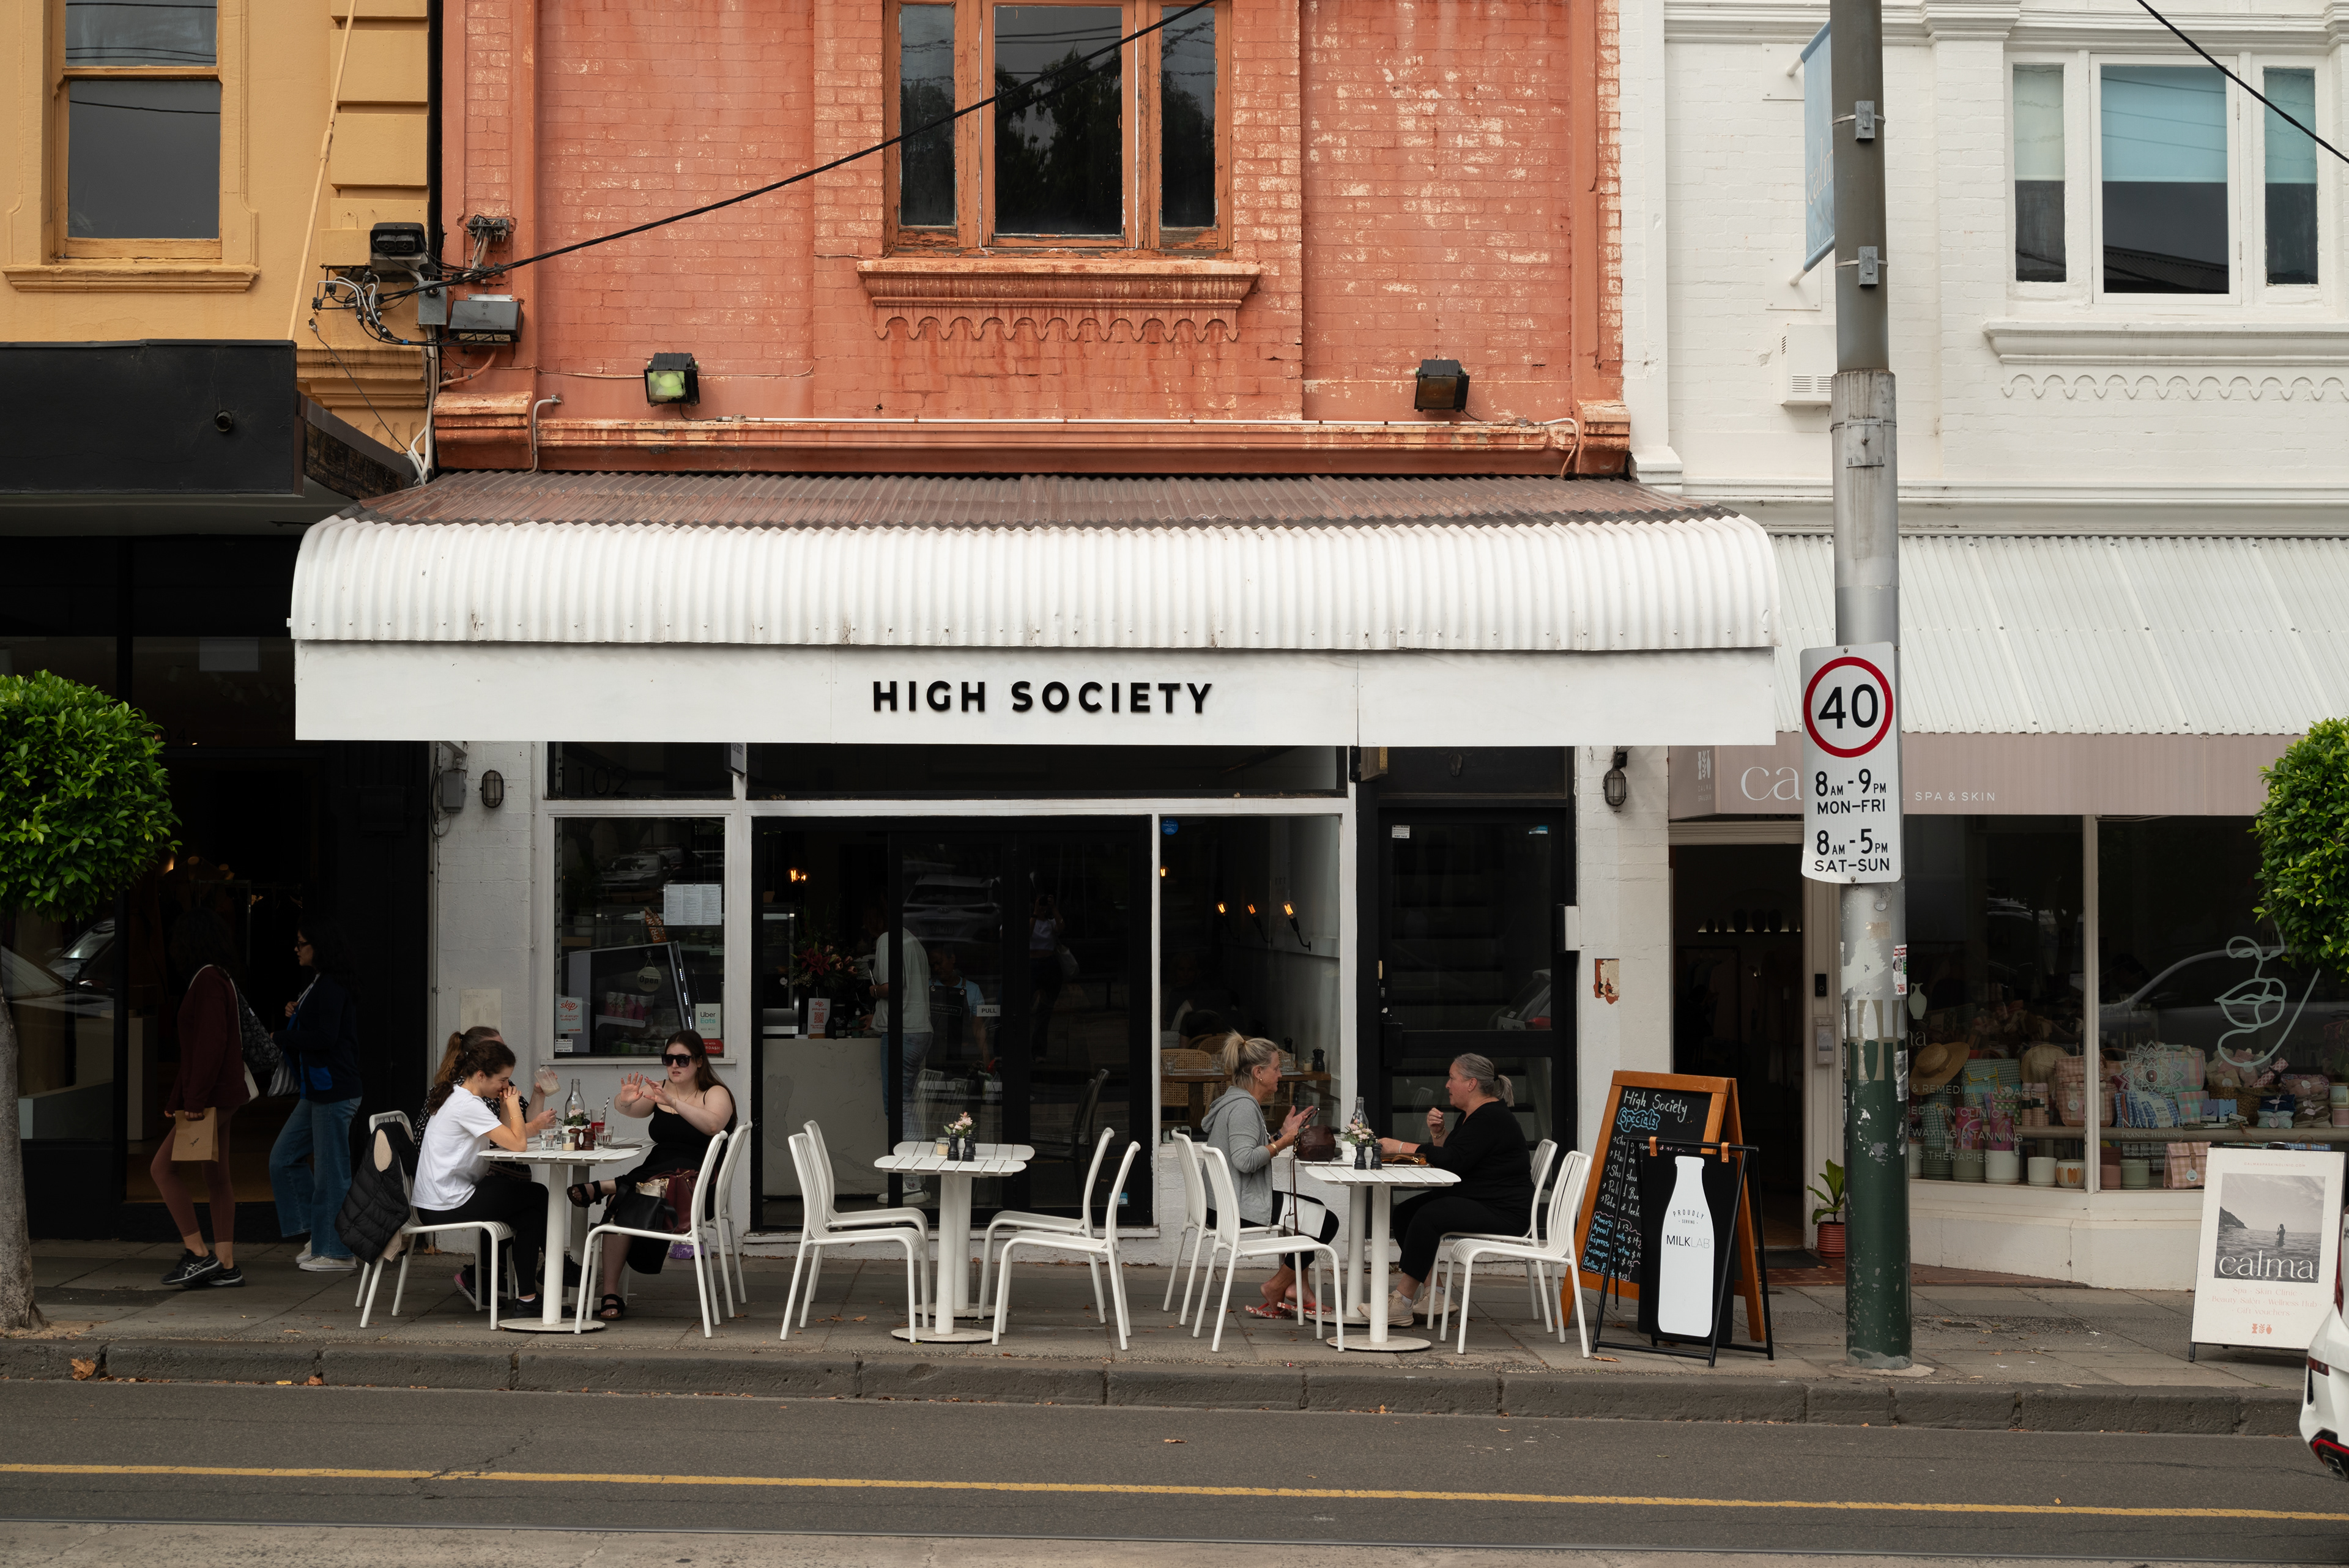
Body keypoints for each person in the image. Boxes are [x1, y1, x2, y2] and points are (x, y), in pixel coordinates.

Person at [565, 1030, 735, 1321]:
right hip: (653, 1180)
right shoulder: (662, 1089)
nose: (674, 1066)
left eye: (682, 1059)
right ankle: (610, 1293)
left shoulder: (714, 1093)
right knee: (621, 1203)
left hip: (695, 1185)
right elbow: (632, 1110)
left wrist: (674, 1102)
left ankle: (610, 1185)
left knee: (629, 1193)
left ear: (699, 1062)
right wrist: (625, 1101)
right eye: (669, 1059)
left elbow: (712, 1126)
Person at [1377, 1053, 1533, 1325]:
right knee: (1406, 1212)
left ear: (1471, 1084)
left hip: (1505, 1210)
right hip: (1484, 1197)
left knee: (1429, 1215)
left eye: (1452, 1078)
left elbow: (1453, 1161)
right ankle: (1436, 1294)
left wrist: (1400, 1147)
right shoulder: (1473, 1116)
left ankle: (1400, 1303)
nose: (1447, 1085)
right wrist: (1439, 1135)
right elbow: (1456, 1158)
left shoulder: (1490, 1118)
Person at [412, 1033, 558, 1310]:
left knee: (529, 1214)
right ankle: (555, 1270)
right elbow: (518, 1143)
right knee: (537, 1193)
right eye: (502, 1080)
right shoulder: (467, 1105)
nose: (507, 1085)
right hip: (444, 1202)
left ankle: (528, 1298)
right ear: (481, 1075)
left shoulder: (463, 1096)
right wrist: (514, 1105)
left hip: (451, 1193)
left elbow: (506, 1140)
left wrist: (505, 1105)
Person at [1198, 1036, 1338, 1320]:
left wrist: (1279, 1134)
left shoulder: (1234, 1101)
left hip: (1224, 1205)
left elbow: (1248, 1150)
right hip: (1240, 1207)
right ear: (1258, 1073)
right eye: (1276, 1068)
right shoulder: (1243, 1107)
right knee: (1327, 1221)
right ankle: (1276, 1287)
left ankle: (1299, 1291)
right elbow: (1245, 1160)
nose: (1280, 1075)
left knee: (1313, 1211)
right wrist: (1284, 1142)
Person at [155, 912, 253, 1289]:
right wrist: (178, 1097)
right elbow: (199, 1048)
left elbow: (209, 1046)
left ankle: (199, 1254)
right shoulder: (218, 977)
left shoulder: (208, 980)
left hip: (212, 1098)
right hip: (220, 1096)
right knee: (216, 1176)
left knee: (162, 1170)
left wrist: (192, 1099)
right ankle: (226, 1264)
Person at [270, 920, 366, 1273]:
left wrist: (283, 1036)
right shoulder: (322, 983)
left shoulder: (330, 985)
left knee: (332, 1173)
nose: (296, 949)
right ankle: (320, 1234)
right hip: (320, 1090)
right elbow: (324, 1030)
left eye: (301, 943)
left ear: (319, 946)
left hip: (332, 1092)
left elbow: (326, 1038)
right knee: (283, 1158)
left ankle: (338, 1251)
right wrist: (297, 1016)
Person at [863, 907, 932, 1143]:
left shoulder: (886, 940)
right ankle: (917, 1166)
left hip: (902, 1033)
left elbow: (891, 987)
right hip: (919, 1029)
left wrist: (872, 990)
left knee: (898, 1105)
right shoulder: (913, 941)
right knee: (906, 1103)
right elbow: (909, 992)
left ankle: (913, 1173)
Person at [1027, 892, 1065, 1060]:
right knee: (1025, 1009)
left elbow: (1062, 927)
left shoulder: (1050, 923)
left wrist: (1053, 908)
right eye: (1040, 903)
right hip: (1032, 965)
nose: (1042, 906)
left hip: (1049, 965)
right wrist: (1035, 912)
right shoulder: (1031, 921)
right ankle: (1024, 1049)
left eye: (1044, 903)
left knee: (1045, 1011)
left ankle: (1039, 1051)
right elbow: (1026, 934)